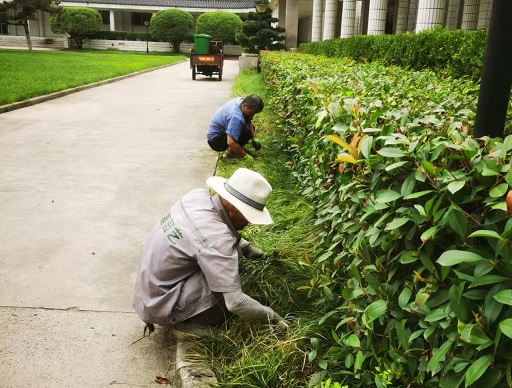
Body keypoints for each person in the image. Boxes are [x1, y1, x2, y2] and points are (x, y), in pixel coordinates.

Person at [131, 168, 288, 330]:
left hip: (148, 291)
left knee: (231, 259)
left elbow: (203, 236)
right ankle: (186, 324)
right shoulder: (219, 239)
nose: (249, 222)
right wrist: (274, 319)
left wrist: (247, 248)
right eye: (248, 215)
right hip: (162, 304)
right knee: (229, 278)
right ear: (233, 206)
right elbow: (236, 302)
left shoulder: (197, 197)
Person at [206, 94, 264, 162]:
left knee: (249, 128)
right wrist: (246, 157)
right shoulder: (236, 117)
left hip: (217, 134)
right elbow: (231, 142)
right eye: (250, 113)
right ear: (245, 106)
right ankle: (227, 154)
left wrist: (254, 138)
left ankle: (234, 149)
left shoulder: (240, 101)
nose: (252, 116)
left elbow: (248, 120)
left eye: (254, 114)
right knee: (246, 133)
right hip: (216, 141)